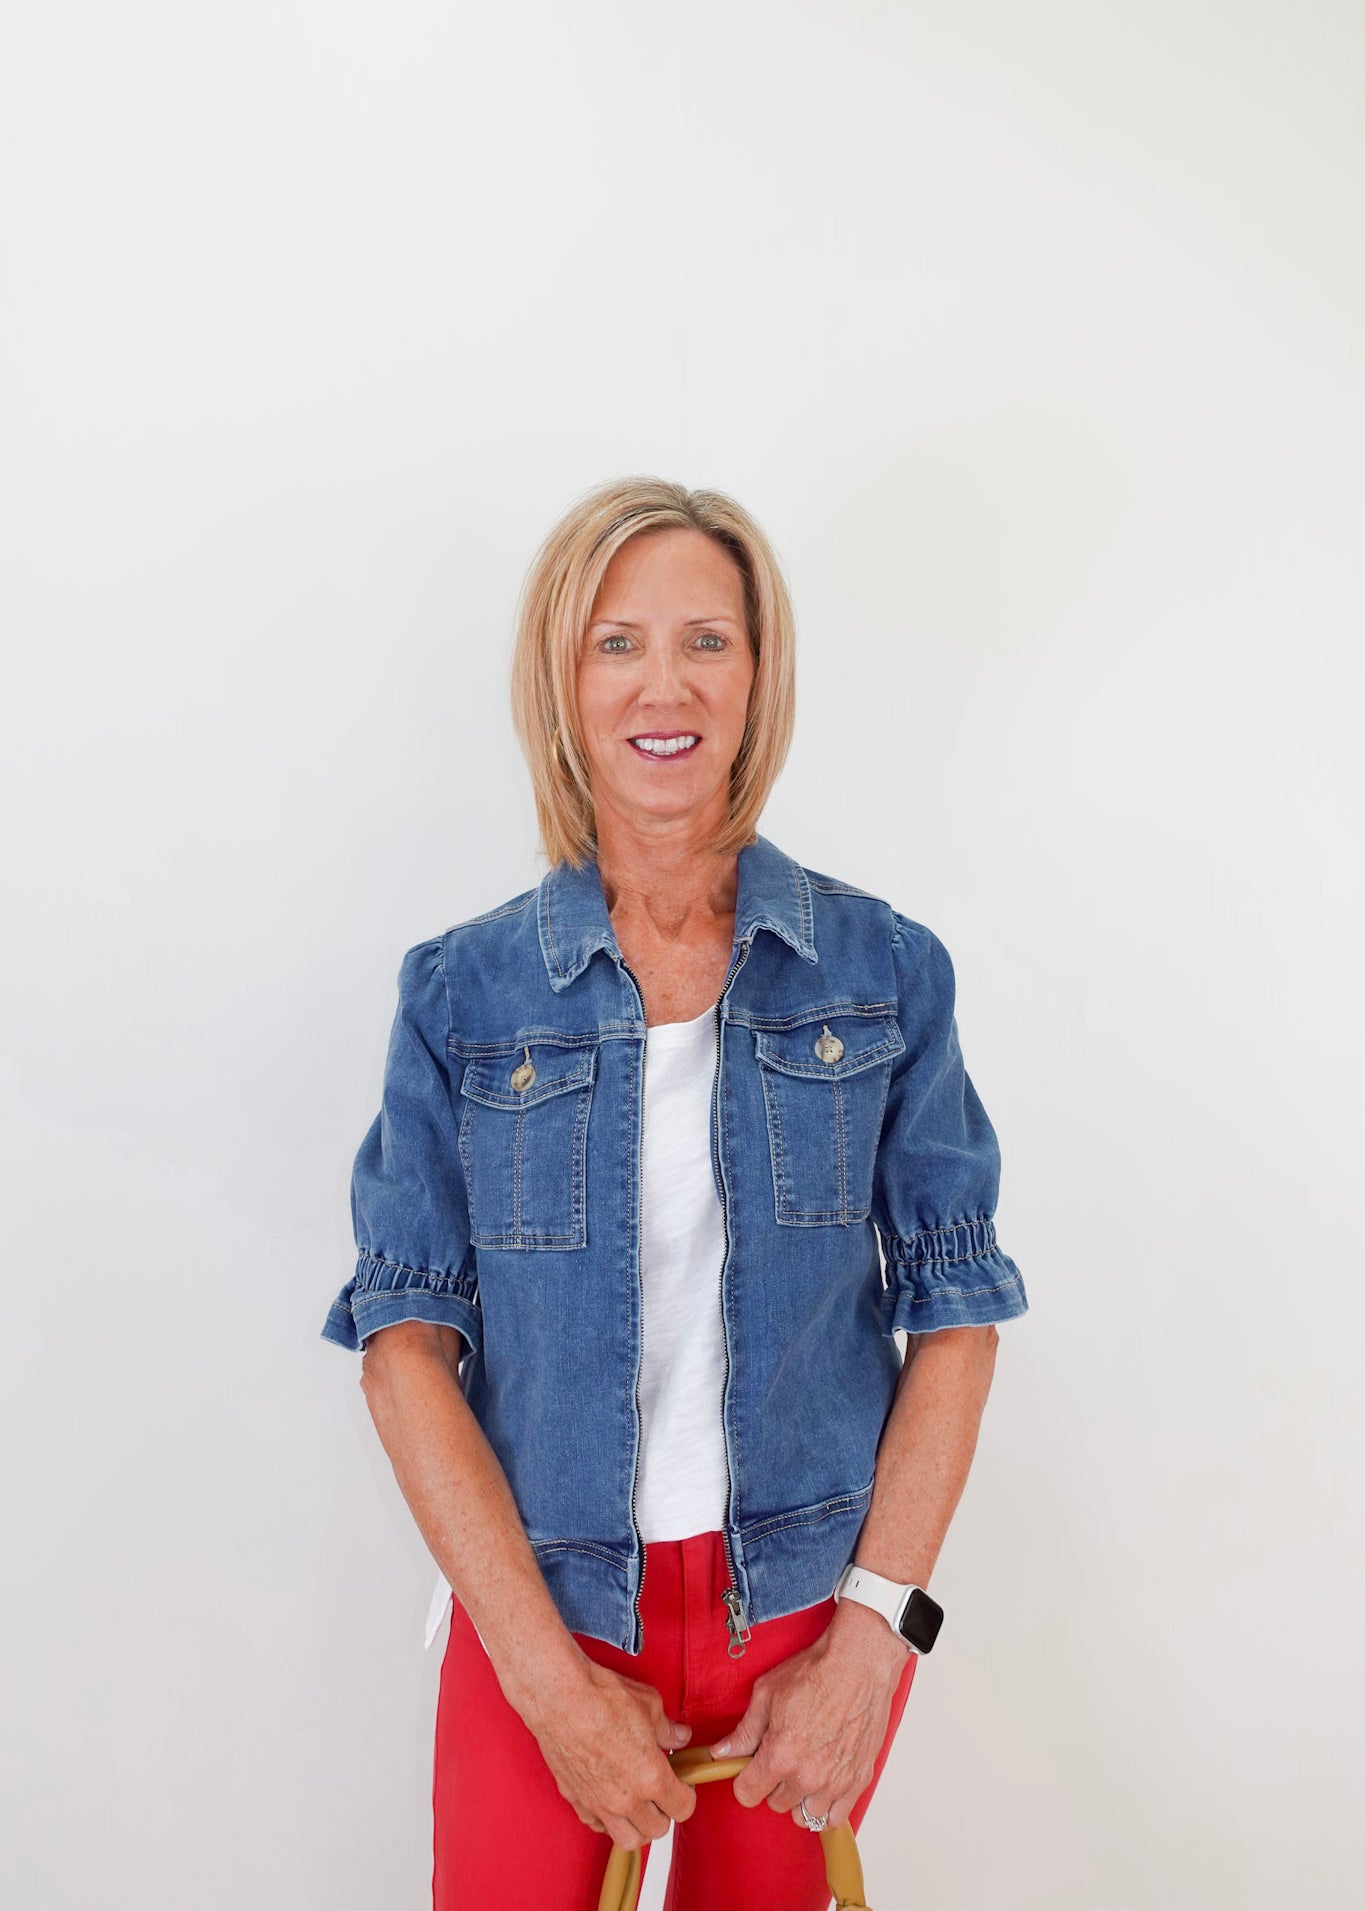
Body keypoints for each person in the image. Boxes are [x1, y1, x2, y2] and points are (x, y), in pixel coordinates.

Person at [320, 475, 1029, 1908]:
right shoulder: (462, 992)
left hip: (803, 1620)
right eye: (614, 641)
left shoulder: (882, 970)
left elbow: (954, 1314)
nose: (665, 683)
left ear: (757, 675)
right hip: (547, 1616)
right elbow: (404, 1358)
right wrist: (542, 1679)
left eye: (707, 639)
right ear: (562, 682)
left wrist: (874, 1633)